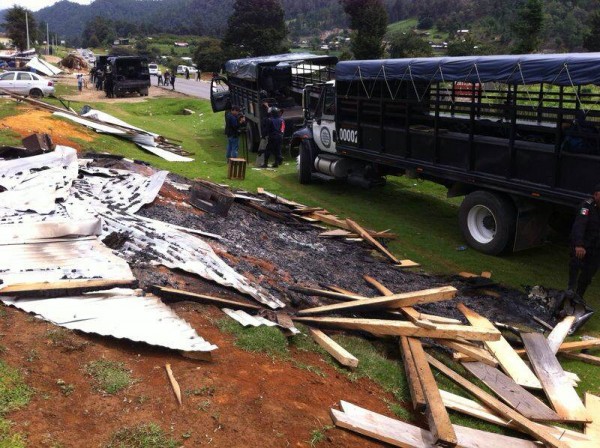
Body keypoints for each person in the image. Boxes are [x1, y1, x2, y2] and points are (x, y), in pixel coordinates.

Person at [567, 183, 600, 299]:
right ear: (596, 195)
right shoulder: (586, 207)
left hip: (596, 247)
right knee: (576, 263)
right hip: (583, 244)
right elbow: (580, 226)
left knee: (589, 272)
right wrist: (579, 245)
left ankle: (579, 295)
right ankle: (570, 288)